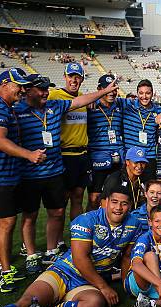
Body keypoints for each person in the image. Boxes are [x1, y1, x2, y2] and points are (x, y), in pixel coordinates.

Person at [0, 187, 140, 307]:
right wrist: (103, 286)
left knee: (95, 303)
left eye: (124, 204)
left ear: (130, 205)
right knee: (27, 302)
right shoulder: (86, 220)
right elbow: (80, 259)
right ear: (104, 202)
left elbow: (126, 257)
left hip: (88, 282)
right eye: (114, 202)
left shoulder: (134, 224)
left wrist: (125, 285)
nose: (118, 208)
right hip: (65, 272)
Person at [16, 74, 118, 272]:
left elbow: (80, 100)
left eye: (47, 89)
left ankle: (51, 250)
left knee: (58, 210)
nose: (45, 92)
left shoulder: (55, 106)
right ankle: (30, 254)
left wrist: (104, 92)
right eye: (41, 89)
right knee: (30, 214)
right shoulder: (18, 110)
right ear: (28, 91)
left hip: (56, 167)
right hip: (31, 170)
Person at [0, 68, 39, 293]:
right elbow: (0, 142)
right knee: (7, 221)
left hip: (4, 175)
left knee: (1, 220)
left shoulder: (4, 108)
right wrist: (29, 155)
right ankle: (5, 272)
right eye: (18, 85)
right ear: (4, 84)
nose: (22, 90)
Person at [48, 63, 90, 224]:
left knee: (78, 197)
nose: (74, 80)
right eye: (71, 76)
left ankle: (76, 236)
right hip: (64, 155)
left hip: (82, 155)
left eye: (77, 77)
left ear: (82, 79)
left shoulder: (83, 99)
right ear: (65, 77)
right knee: (62, 201)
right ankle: (57, 241)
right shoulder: (54, 95)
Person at [86, 75, 124, 210]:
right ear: (99, 89)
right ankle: (89, 228)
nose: (112, 92)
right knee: (94, 198)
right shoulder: (89, 107)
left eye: (114, 89)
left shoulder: (120, 105)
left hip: (117, 159)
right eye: (108, 89)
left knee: (116, 197)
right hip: (97, 159)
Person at [118, 79, 161, 182]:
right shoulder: (128, 105)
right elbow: (110, 100)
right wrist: (95, 102)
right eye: (141, 93)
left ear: (152, 93)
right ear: (137, 93)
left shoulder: (158, 110)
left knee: (148, 191)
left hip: (149, 157)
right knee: (128, 192)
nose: (144, 96)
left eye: (148, 93)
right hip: (131, 157)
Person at [102, 146, 148, 211]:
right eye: (136, 162)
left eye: (142, 163)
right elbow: (104, 203)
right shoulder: (115, 178)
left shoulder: (145, 179)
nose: (139, 166)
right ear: (127, 162)